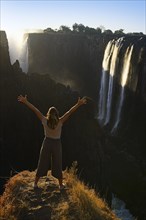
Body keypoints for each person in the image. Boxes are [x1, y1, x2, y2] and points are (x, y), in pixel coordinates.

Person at [17, 95, 87, 190]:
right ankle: (61, 185)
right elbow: (69, 112)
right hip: (57, 143)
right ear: (57, 114)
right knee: (58, 163)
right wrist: (78, 104)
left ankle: (35, 184)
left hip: (47, 142)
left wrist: (25, 102)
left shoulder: (44, 120)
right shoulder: (60, 121)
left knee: (42, 162)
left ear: (48, 114)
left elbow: (35, 110)